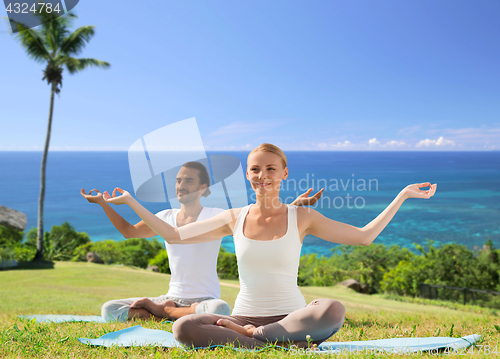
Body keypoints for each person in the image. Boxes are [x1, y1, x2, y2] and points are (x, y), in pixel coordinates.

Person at [103, 143, 437, 348]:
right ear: (248, 175)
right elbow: (174, 234)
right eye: (255, 169)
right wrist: (131, 200)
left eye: (270, 168)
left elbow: (364, 236)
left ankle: (256, 339)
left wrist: (403, 195)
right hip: (243, 315)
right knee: (183, 327)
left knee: (332, 309)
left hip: (291, 316)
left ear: (284, 173)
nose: (263, 174)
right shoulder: (234, 218)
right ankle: (264, 339)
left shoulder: (302, 217)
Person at [81, 161, 322, 322]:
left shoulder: (214, 216)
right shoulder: (165, 217)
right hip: (171, 297)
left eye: (188, 181)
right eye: (178, 180)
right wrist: (104, 204)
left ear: (203, 188)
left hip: (204, 302)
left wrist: (293, 208)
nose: (181, 185)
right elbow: (128, 231)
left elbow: (254, 221)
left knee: (220, 310)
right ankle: (167, 311)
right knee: (109, 310)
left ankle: (165, 313)